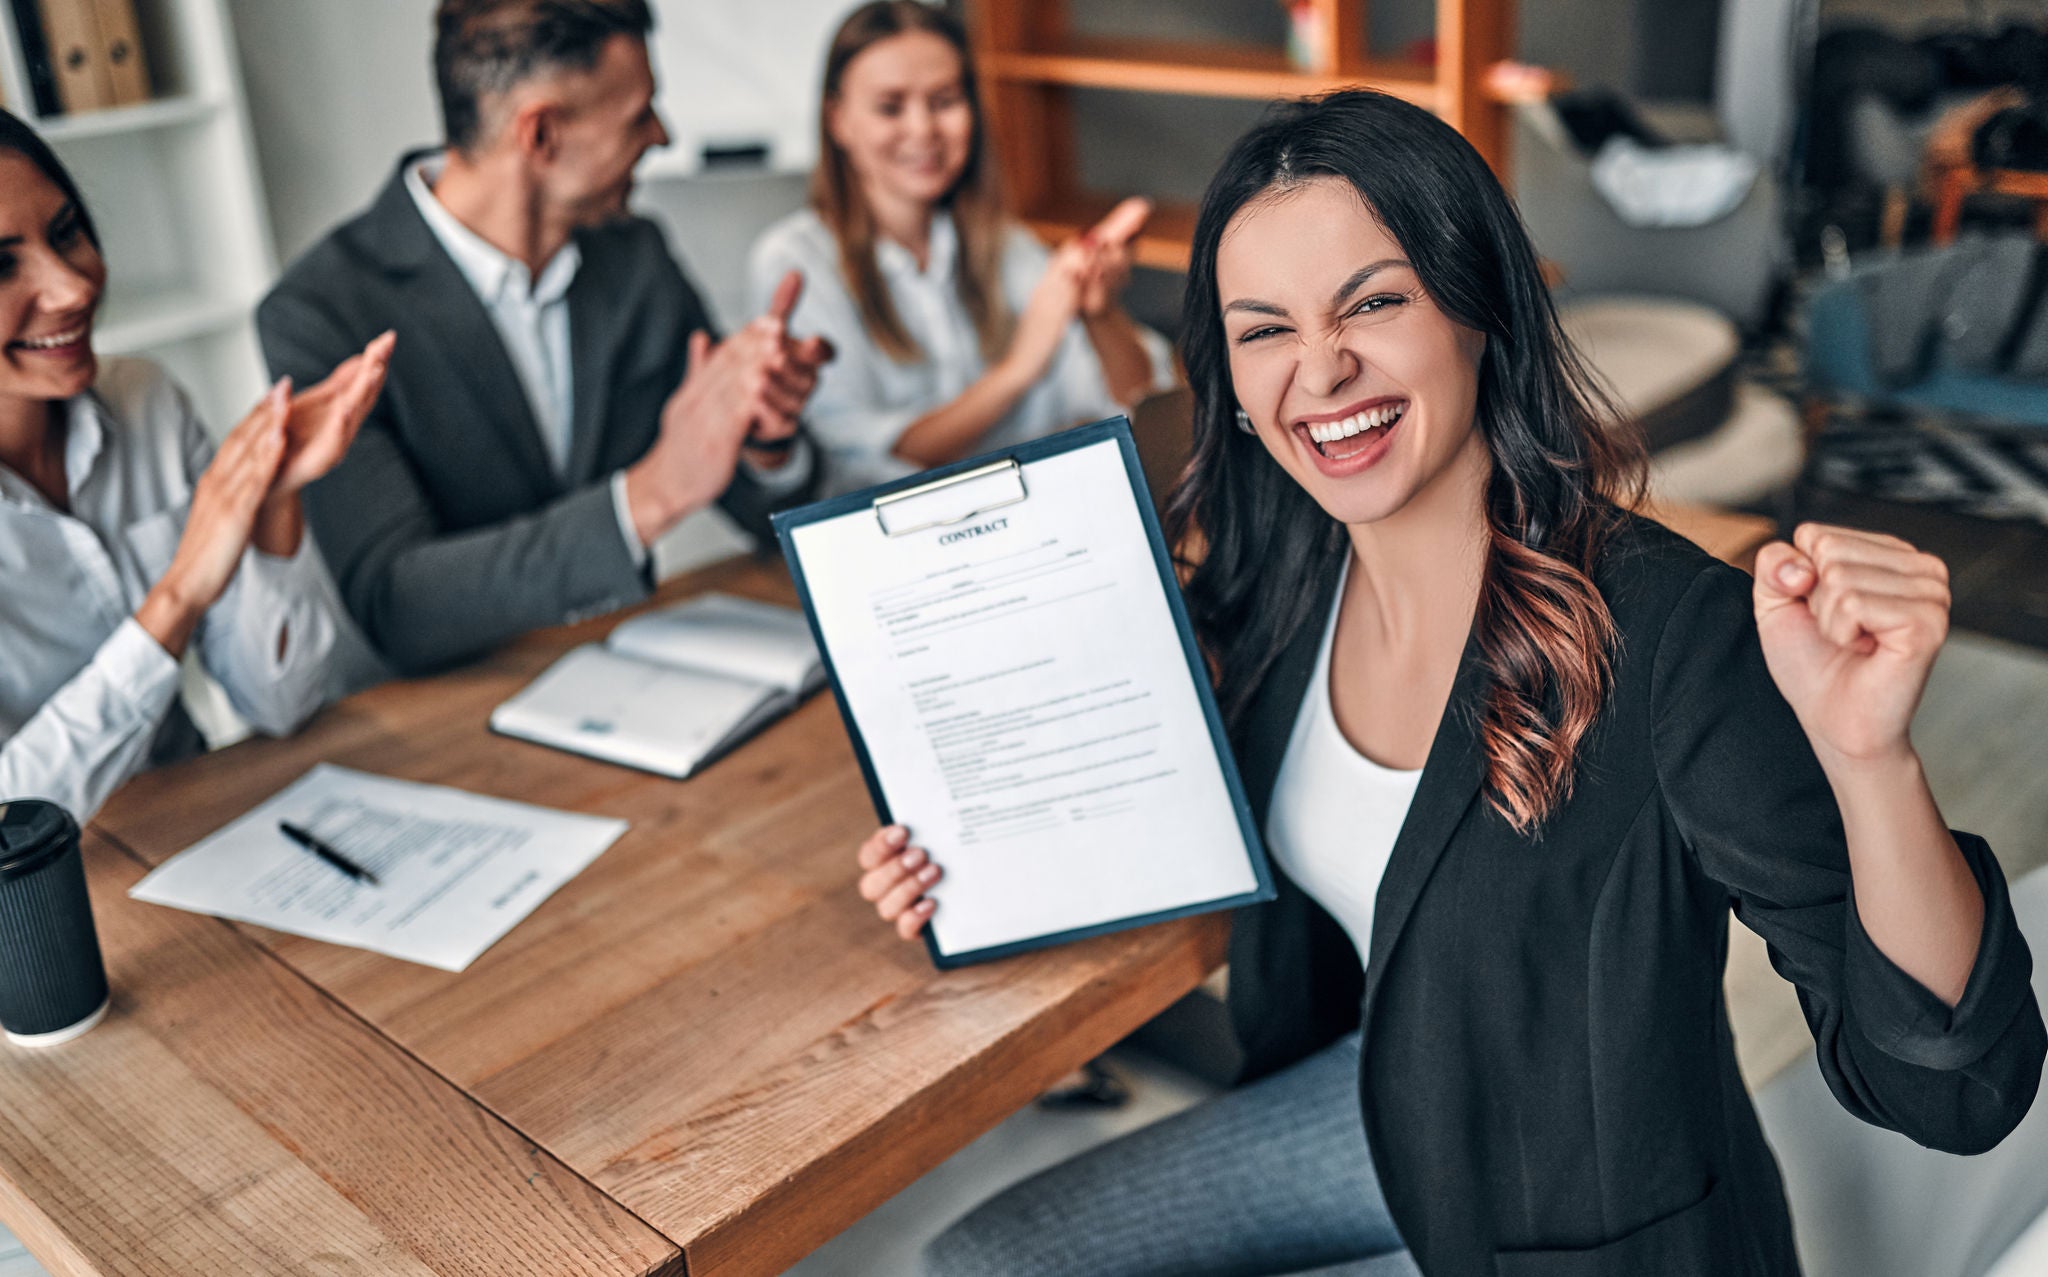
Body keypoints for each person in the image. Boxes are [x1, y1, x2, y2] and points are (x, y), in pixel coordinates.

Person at [853, 91, 2047, 1276]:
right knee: (982, 1259)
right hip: (1384, 1107)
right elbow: (1147, 786)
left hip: (1580, 1210)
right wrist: (959, 849)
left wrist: (1869, 759)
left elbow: (1954, 1092)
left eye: (1372, 302)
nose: (1320, 369)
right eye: (1264, 330)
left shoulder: (1671, 633)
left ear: (1479, 307)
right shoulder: (1282, 574)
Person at [259, 0, 830, 676]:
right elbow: (396, 603)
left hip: (637, 672)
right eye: (638, 116)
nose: (662, 136)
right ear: (542, 135)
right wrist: (648, 496)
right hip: (448, 708)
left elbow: (764, 509)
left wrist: (763, 436)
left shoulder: (636, 256)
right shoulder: (321, 312)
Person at [0, 109, 391, 821]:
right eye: (1, 267)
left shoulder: (145, 400)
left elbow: (282, 704)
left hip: (206, 823)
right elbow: (11, 817)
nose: (73, 288)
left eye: (66, 233)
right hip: (67, 883)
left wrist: (272, 497)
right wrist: (177, 597)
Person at [747, 0, 1175, 495]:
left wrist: (1101, 315)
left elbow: (1142, 401)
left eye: (944, 101)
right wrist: (1019, 368)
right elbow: (870, 460)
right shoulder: (794, 262)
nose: (923, 130)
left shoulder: (1006, 246)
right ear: (838, 120)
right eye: (890, 107)